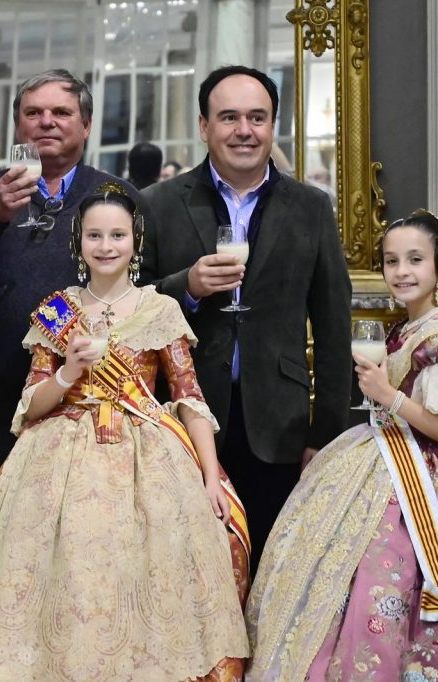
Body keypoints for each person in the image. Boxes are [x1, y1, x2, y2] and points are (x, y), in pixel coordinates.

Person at [0, 186, 249, 680]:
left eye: (118, 235)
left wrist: (209, 477)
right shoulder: (57, 310)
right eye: (94, 235)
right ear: (79, 242)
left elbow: (189, 398)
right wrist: (68, 373)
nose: (106, 246)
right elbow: (31, 407)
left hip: (149, 459)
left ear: (135, 241)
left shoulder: (160, 308)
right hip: (59, 458)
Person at [140, 65, 352, 571]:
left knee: (272, 573)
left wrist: (324, 437)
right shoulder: (157, 203)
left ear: (273, 126)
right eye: (229, 117)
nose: (244, 130)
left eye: (257, 118)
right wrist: (187, 288)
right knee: (186, 572)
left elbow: (333, 328)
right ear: (203, 126)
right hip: (182, 422)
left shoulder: (310, 207)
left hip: (280, 427)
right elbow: (127, 305)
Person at [247, 211, 438, 680]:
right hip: (384, 451)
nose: (401, 271)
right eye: (391, 261)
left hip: (423, 476)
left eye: (415, 260)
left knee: (383, 576)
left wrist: (388, 396)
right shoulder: (407, 327)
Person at [0, 68, 141, 457]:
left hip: (89, 397)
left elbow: (142, 288)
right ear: (17, 125)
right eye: (33, 113)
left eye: (61, 112)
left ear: (86, 125)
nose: (46, 121)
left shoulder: (118, 196)